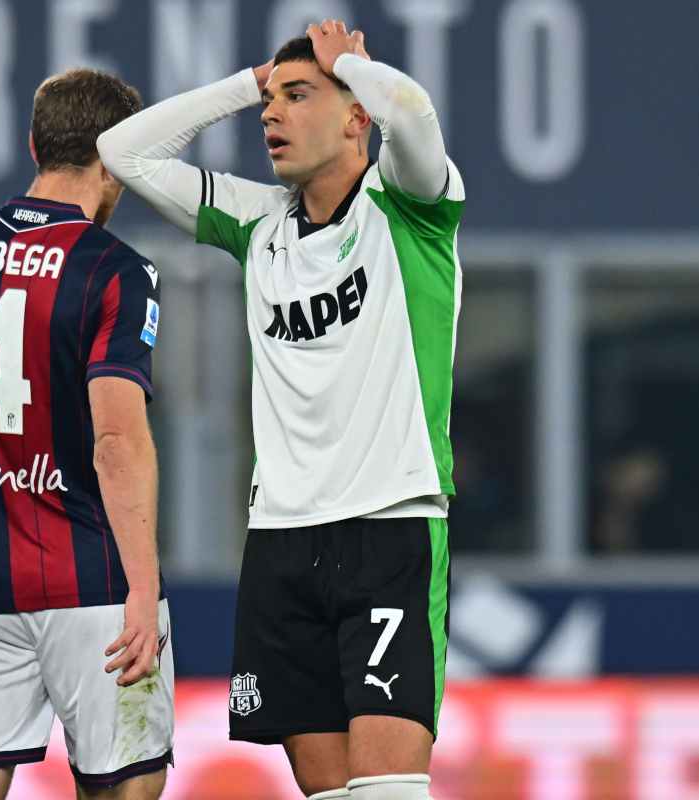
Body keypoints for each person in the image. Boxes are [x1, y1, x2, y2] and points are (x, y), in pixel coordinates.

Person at [98, 20, 463, 800]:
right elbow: (125, 152)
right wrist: (248, 81)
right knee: (327, 795)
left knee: (389, 792)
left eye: (299, 96)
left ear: (356, 116)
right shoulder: (259, 221)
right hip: (281, 542)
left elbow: (415, 116)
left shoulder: (409, 208)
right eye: (271, 101)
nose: (272, 114)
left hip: (390, 525)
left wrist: (355, 67)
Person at [0, 68, 172, 800]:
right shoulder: (118, 270)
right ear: (115, 161)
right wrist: (145, 588)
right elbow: (117, 443)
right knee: (125, 788)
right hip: (91, 581)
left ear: (33, 145)